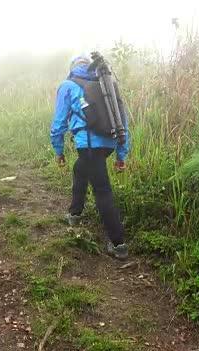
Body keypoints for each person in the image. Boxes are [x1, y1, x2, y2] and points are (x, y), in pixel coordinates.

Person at [50, 54, 132, 260]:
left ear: (73, 67)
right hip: (108, 143)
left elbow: (58, 124)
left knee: (102, 190)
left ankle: (118, 244)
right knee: (80, 169)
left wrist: (58, 151)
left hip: (88, 145)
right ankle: (74, 213)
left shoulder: (68, 86)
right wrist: (121, 154)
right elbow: (123, 121)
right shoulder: (106, 85)